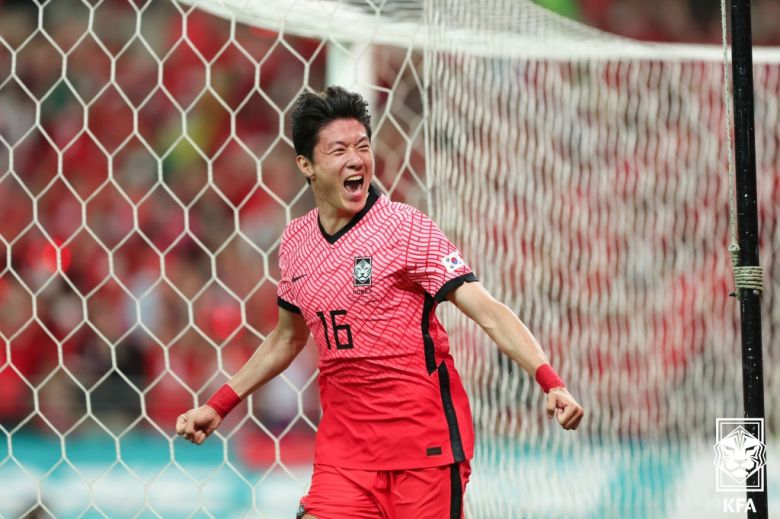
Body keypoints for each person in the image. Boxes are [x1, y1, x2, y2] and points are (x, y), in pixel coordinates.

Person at [176, 86, 584, 518]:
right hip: (345, 457)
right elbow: (286, 339)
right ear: (306, 165)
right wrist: (218, 405)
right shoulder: (296, 241)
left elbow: (488, 310)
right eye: (338, 150)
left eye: (363, 146)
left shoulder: (405, 228)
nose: (356, 159)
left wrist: (550, 380)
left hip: (423, 453)